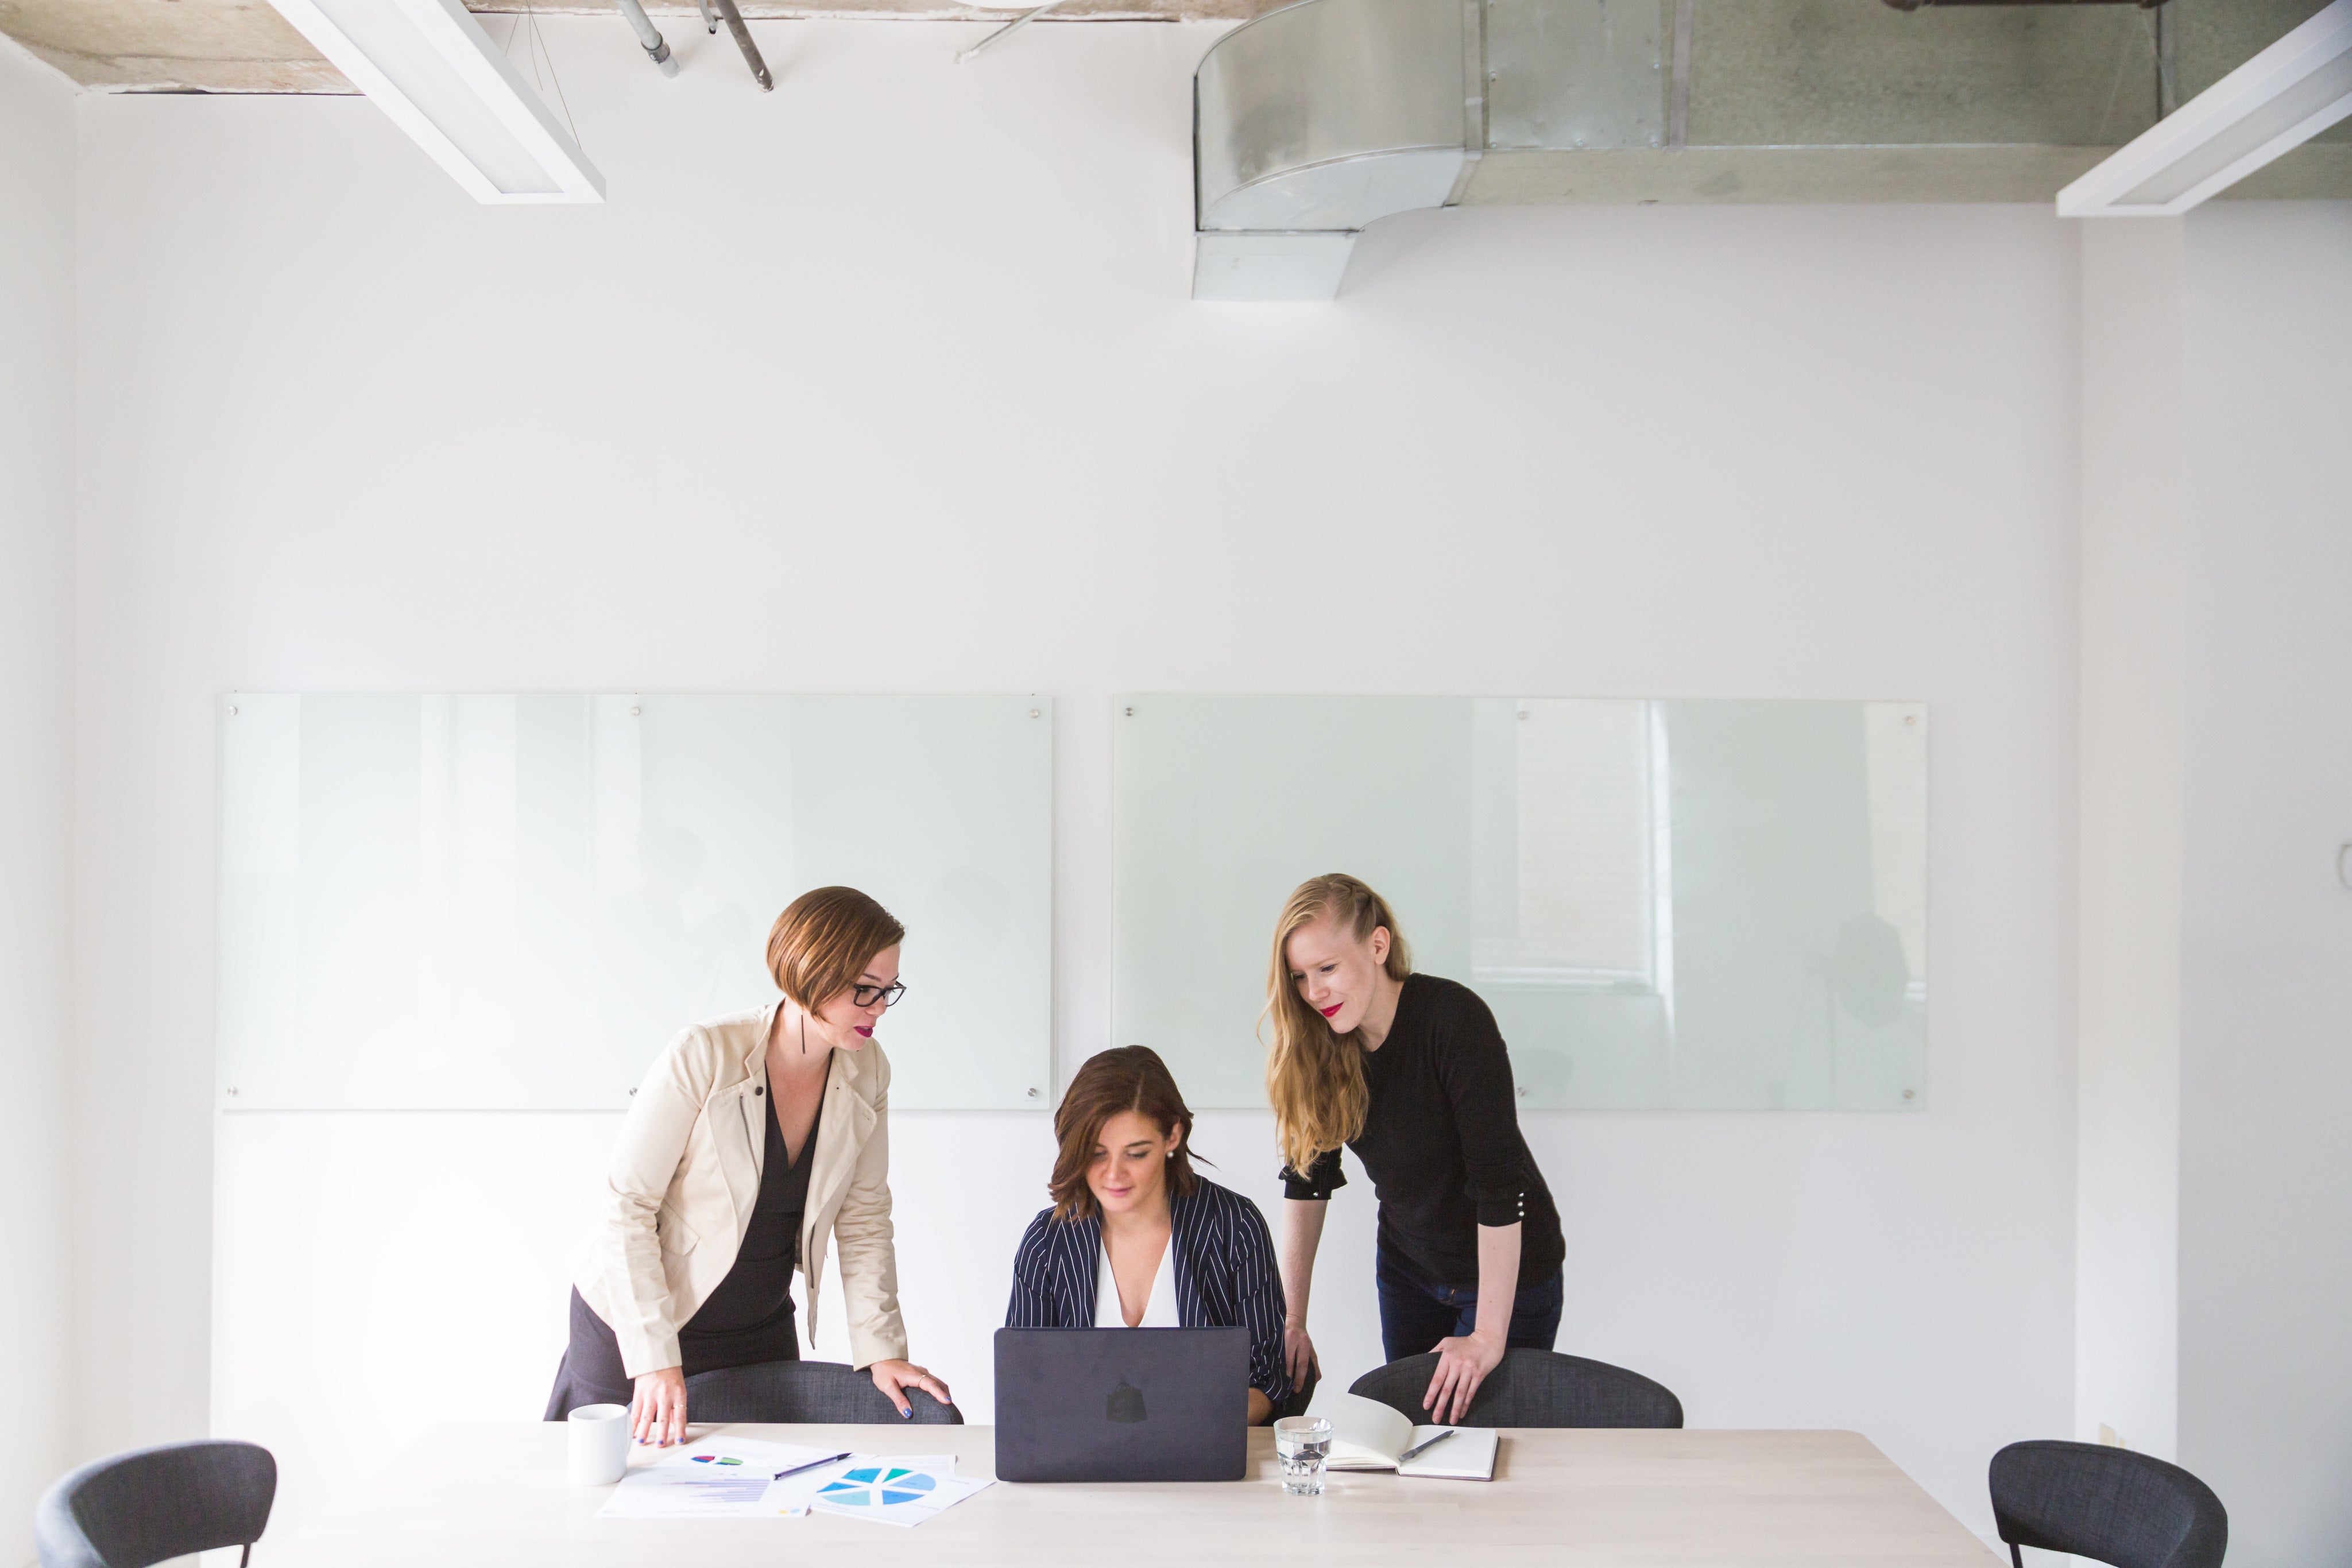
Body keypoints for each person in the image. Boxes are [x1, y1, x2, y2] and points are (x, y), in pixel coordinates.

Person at [546, 885, 951, 1442]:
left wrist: (881, 1349)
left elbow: (864, 1218)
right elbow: (628, 1205)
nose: (879, 1008)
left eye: (889, 990)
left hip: (755, 1325)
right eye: (864, 991)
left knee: (768, 1495)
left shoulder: (868, 1069)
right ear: (812, 976)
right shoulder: (705, 1053)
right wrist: (654, 1358)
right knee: (613, 1495)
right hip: (636, 1320)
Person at [1267, 873, 1566, 1424]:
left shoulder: (1452, 1020)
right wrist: (1292, 1319)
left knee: (1487, 1446)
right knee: (1407, 1439)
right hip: (1410, 1272)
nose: (1314, 993)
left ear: (1378, 946)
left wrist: (1487, 1337)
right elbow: (1307, 1181)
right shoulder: (1322, 1049)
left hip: (1507, 1278)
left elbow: (1500, 1187)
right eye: (1301, 977)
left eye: (1327, 968)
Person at [1005, 1046, 1292, 1423]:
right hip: (1083, 1470)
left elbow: (1268, 1381)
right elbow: (1024, 1386)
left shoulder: (1234, 1227)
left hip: (1205, 1470)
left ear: (1172, 1134)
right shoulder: (1047, 1242)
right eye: (1096, 1154)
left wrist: (1178, 1422)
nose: (1114, 1175)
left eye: (1136, 1153)